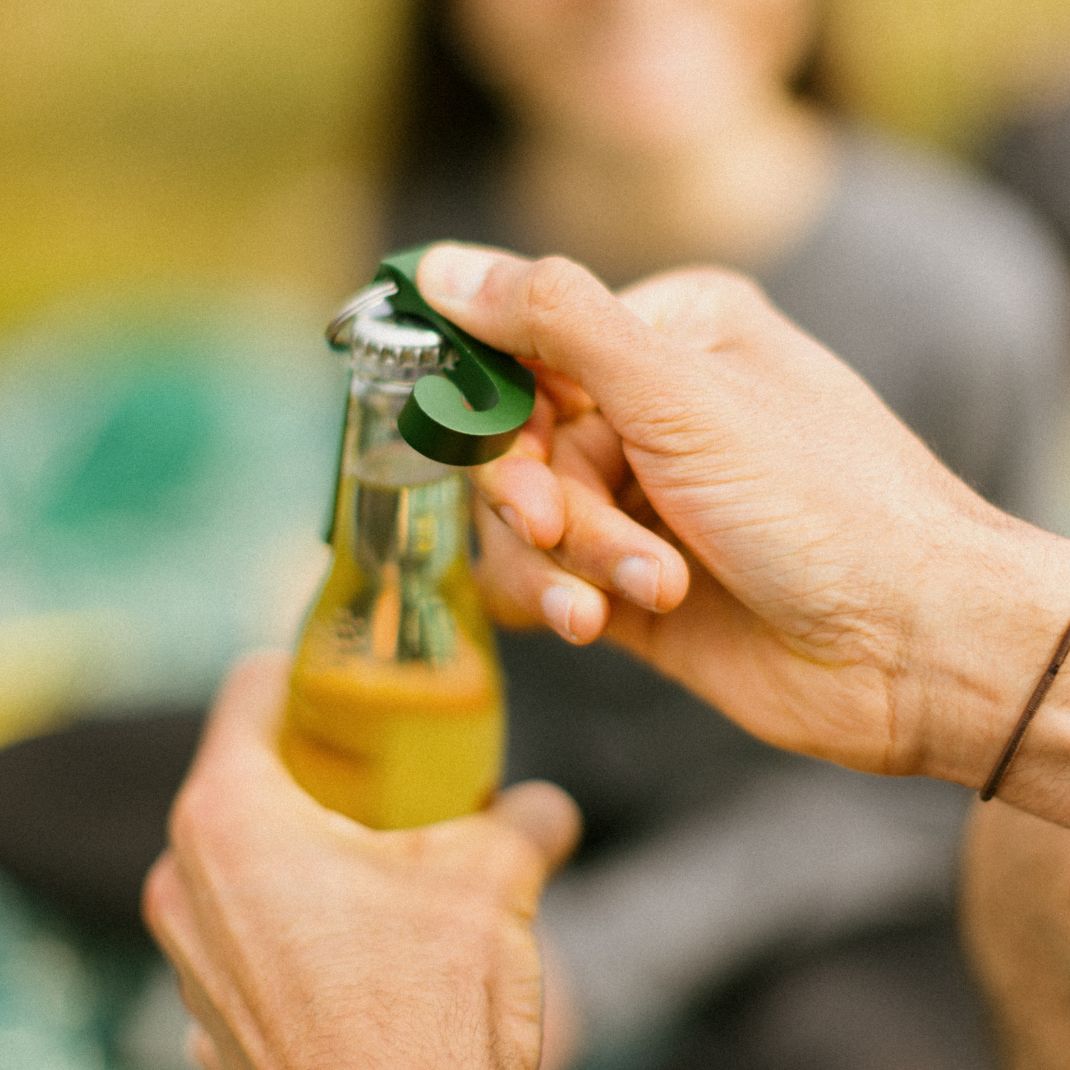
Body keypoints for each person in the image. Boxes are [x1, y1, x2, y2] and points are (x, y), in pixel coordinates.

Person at [146, 245, 1070, 1070]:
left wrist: (369, 1043)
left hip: (783, 887)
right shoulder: (451, 196)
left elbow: (894, 832)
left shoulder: (965, 294)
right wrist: (930, 639)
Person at [388, 3, 1070, 1064]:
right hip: (553, 793)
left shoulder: (969, 294)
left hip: (841, 871)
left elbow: (937, 801)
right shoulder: (425, 244)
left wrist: (591, 952)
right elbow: (448, 615)